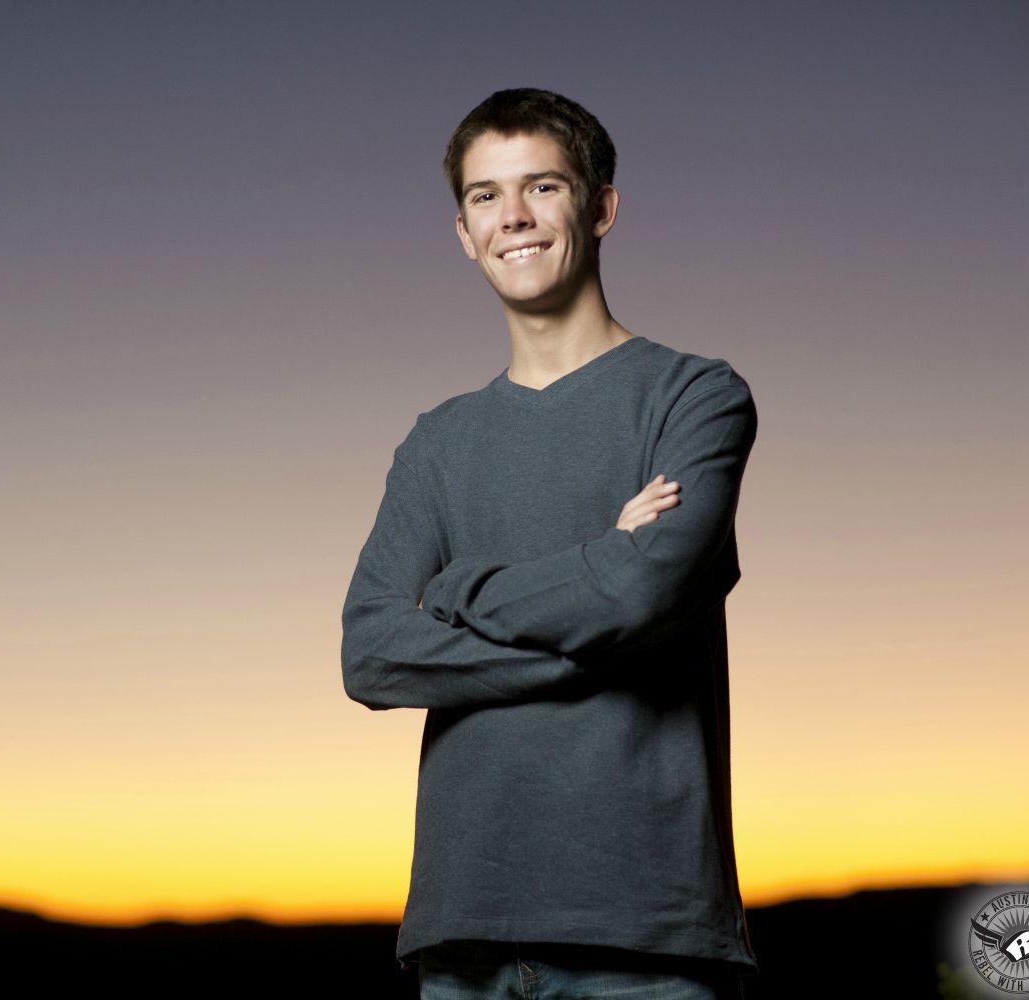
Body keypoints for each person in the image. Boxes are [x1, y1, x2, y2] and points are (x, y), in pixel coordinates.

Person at [340, 88, 761, 999]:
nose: (515, 218)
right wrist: (599, 612)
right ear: (462, 231)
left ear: (601, 207)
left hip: (646, 938)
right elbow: (370, 653)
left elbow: (641, 599)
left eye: (542, 187)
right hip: (464, 937)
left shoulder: (695, 398)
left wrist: (456, 591)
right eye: (487, 197)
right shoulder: (436, 443)